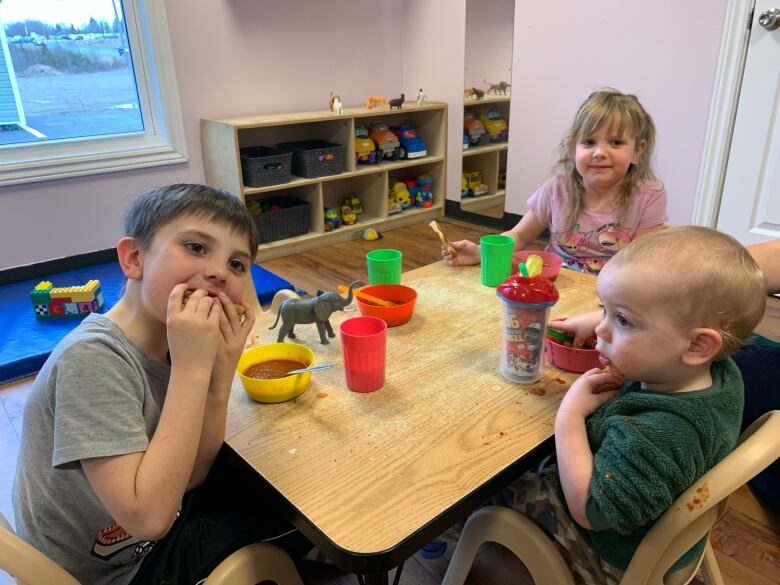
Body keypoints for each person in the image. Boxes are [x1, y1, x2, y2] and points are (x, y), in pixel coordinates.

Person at [13, 184, 306, 584]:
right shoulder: (93, 359)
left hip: (154, 519)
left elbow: (194, 475)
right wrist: (192, 369)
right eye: (197, 247)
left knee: (281, 479)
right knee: (303, 517)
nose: (220, 272)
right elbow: (149, 519)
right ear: (135, 259)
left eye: (238, 264)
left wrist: (219, 376)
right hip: (118, 571)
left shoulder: (171, 341)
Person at [497, 226, 766, 583]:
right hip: (659, 522)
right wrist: (622, 334)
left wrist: (570, 417)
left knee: (492, 487)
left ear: (698, 346)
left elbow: (589, 510)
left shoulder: (661, 433)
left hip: (608, 551)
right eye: (603, 311)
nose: (602, 330)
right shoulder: (712, 371)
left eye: (622, 319)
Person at [444, 89, 668, 274]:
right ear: (573, 148)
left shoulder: (649, 195)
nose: (600, 152)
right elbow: (520, 235)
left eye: (616, 142)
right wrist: (480, 253)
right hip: (555, 287)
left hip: (613, 298)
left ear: (638, 151)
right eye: (589, 142)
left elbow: (641, 263)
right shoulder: (557, 189)